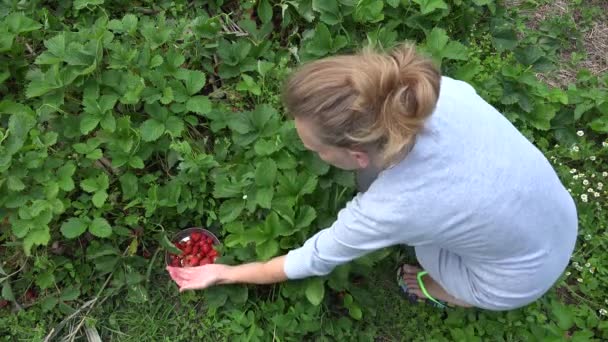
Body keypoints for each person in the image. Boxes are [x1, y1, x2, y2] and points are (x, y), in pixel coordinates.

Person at [167, 44, 578, 311]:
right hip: (556, 214)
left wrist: (224, 271)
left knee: (427, 251)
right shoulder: (429, 92)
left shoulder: (394, 206)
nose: (305, 147)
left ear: (357, 154)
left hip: (515, 280)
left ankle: (448, 292)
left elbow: (309, 260)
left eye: (314, 148)